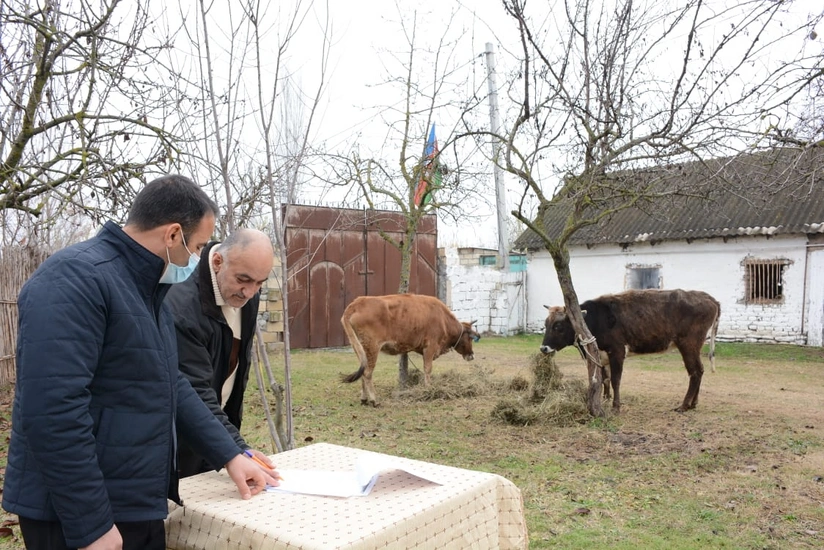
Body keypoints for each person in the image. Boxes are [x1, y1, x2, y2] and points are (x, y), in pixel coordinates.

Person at [2, 175, 280, 550]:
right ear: (172, 235)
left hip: (134, 500)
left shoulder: (146, 291)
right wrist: (91, 525)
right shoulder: (74, 279)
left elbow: (171, 383)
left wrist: (229, 453)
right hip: (76, 515)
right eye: (197, 247)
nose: (197, 258)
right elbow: (53, 411)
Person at [165, 228, 276, 478]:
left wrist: (233, 444)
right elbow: (194, 390)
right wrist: (236, 450)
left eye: (259, 283)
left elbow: (235, 366)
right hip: (179, 437)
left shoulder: (247, 292)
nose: (250, 292)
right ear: (217, 262)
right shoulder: (182, 306)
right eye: (244, 280)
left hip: (218, 428)